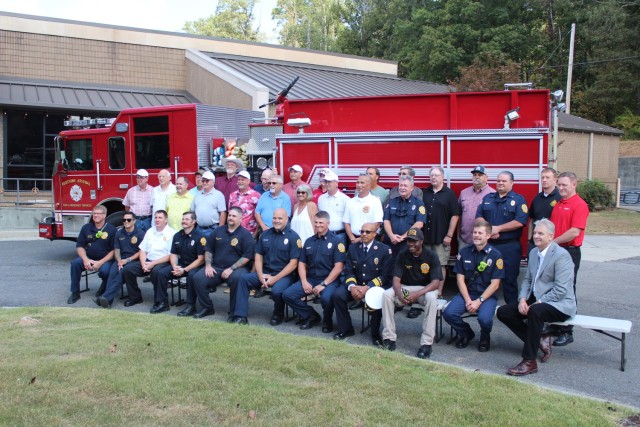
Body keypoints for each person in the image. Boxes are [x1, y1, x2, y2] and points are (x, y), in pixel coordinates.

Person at [497, 219, 576, 376]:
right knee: (503, 312)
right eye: (535, 232)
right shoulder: (534, 252)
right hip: (538, 301)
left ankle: (529, 361)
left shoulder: (562, 256)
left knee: (536, 312)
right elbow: (527, 280)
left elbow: (561, 290)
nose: (536, 236)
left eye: (541, 233)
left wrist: (538, 302)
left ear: (551, 236)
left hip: (560, 304)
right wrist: (522, 299)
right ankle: (539, 338)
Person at [177, 207, 255, 319]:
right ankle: (207, 307)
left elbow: (247, 257)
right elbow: (208, 249)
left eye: (234, 216)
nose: (231, 218)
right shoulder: (218, 231)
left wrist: (231, 268)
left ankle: (234, 312)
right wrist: (208, 265)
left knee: (238, 279)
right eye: (229, 215)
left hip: (237, 269)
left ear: (240, 219)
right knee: (198, 278)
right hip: (216, 267)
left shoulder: (245, 234)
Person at [230, 208, 302, 325]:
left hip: (284, 276)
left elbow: (293, 264)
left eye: (280, 218)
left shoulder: (294, 237)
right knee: (242, 279)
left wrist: (275, 278)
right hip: (264, 273)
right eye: (274, 218)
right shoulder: (265, 234)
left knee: (277, 291)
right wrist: (260, 275)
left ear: (286, 219)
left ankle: (278, 314)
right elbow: (258, 256)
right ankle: (240, 315)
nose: (276, 221)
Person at [442, 220, 504, 352]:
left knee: (485, 319)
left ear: (488, 235)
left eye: (480, 233)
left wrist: (479, 301)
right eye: (474, 232)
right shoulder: (464, 252)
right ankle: (466, 334)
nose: (476, 235)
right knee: (448, 313)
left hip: (486, 296)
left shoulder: (495, 255)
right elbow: (460, 279)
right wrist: (469, 300)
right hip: (467, 294)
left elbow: (495, 284)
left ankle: (485, 337)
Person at [381, 228, 442, 359]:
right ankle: (389, 338)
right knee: (387, 294)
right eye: (409, 240)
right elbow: (396, 279)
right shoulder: (403, 254)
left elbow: (435, 283)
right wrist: (399, 294)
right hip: (406, 288)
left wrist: (417, 294)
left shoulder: (431, 255)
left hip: (425, 290)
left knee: (432, 299)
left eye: (414, 241)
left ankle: (426, 344)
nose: (411, 244)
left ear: (421, 241)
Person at [283, 211, 346, 332]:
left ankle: (327, 321)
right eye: (316, 222)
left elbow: (339, 267)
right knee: (288, 294)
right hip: (311, 279)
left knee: (326, 298)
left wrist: (323, 284)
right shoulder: (309, 241)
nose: (318, 225)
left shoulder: (337, 241)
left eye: (321, 222)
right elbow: (302, 263)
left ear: (328, 223)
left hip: (329, 280)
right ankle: (311, 316)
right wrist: (304, 281)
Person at [332, 222, 393, 344]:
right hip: (356, 285)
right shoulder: (353, 248)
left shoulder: (384, 250)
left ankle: (375, 333)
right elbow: (349, 271)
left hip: (374, 286)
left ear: (375, 234)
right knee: (337, 295)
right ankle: (346, 328)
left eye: (367, 232)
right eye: (362, 231)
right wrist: (352, 286)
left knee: (378, 297)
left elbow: (385, 276)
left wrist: (367, 287)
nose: (364, 234)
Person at [549, 171, 590, 346]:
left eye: (565, 185)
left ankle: (567, 331)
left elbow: (575, 231)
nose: (561, 188)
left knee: (567, 290)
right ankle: (556, 326)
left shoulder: (579, 205)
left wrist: (552, 243)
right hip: (557, 250)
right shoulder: (558, 203)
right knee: (553, 287)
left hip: (569, 251)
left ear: (574, 184)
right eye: (559, 184)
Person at [476, 171, 528, 304]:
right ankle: (484, 307)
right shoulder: (488, 198)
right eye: (498, 180)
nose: (500, 183)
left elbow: (520, 221)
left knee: (509, 280)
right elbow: (479, 216)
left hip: (509, 247)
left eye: (504, 181)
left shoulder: (518, 200)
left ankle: (511, 311)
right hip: (489, 246)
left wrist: (497, 229)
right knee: (484, 277)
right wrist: (490, 230)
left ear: (512, 183)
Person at [149, 211, 205, 314]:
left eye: (187, 219)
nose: (184, 221)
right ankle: (162, 303)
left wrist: (185, 270)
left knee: (191, 276)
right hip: (180, 265)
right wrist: (174, 266)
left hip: (195, 266)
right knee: (160, 273)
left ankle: (191, 306)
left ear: (194, 222)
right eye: (183, 219)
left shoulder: (200, 237)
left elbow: (201, 259)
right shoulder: (178, 235)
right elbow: (173, 254)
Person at [121, 210, 176, 307]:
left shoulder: (171, 233)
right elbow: (142, 250)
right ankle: (135, 297)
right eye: (155, 217)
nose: (157, 220)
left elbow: (170, 255)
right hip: (147, 261)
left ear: (166, 220)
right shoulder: (150, 231)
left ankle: (161, 302)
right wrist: (143, 264)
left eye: (160, 218)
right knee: (128, 269)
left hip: (163, 262)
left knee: (157, 273)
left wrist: (153, 264)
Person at [67, 204, 116, 304]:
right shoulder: (86, 228)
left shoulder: (111, 229)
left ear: (104, 215)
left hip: (104, 260)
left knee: (106, 272)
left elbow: (114, 251)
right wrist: (85, 259)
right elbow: (80, 246)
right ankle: (75, 293)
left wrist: (99, 263)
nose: (96, 215)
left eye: (98, 213)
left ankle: (103, 289)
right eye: (94, 213)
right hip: (89, 257)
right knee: (75, 264)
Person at [94, 211, 145, 308]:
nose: (126, 222)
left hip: (134, 260)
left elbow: (141, 252)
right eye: (124, 220)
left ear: (134, 221)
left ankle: (105, 297)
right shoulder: (119, 233)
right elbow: (117, 250)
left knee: (122, 273)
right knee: (112, 273)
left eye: (128, 220)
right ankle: (108, 301)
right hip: (121, 259)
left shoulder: (140, 233)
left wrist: (128, 260)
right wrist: (119, 261)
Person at [422, 166, 460, 296]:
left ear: (442, 177)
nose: (433, 178)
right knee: (425, 264)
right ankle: (425, 292)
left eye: (436, 175)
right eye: (431, 175)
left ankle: (438, 292)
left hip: (441, 237)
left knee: (440, 265)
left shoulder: (449, 194)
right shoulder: (425, 192)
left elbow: (455, 216)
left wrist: (449, 235)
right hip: (425, 237)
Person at [383, 175, 426, 260]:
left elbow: (419, 223)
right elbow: (386, 220)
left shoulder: (419, 204)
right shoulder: (391, 202)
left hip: (408, 243)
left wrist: (402, 237)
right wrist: (391, 236)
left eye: (405, 186)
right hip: (391, 242)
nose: (402, 188)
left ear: (412, 188)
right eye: (400, 185)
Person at [458, 165, 495, 249]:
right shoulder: (464, 193)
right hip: (465, 240)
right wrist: (458, 235)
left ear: (486, 177)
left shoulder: (493, 194)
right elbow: (458, 215)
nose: (477, 177)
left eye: (480, 175)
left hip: (485, 241)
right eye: (475, 175)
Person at [527, 167, 561, 254]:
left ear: (555, 180)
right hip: (535, 242)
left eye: (547, 177)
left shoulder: (560, 198)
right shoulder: (537, 198)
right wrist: (530, 238)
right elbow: (531, 219)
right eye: (542, 177)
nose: (544, 180)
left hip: (550, 242)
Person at [344, 174, 383, 245]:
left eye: (362, 183)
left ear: (369, 186)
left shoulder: (375, 201)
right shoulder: (350, 201)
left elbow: (377, 223)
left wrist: (361, 238)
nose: (359, 185)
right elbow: (346, 222)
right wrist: (352, 238)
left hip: (370, 239)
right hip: (353, 239)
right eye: (357, 182)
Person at [191, 170, 227, 237]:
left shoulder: (219, 195)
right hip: (198, 229)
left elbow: (223, 213)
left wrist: (220, 230)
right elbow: (192, 212)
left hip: (213, 229)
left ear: (213, 182)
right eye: (203, 181)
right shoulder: (197, 195)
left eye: (207, 181)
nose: (204, 183)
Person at [317, 170, 349, 243]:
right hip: (324, 234)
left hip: (340, 235)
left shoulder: (345, 199)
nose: (327, 184)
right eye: (326, 182)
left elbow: (348, 219)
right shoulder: (321, 198)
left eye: (330, 182)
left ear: (336, 183)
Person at [228, 170, 261, 236]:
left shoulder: (256, 195)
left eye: (242, 180)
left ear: (248, 181)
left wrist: (256, 232)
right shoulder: (232, 195)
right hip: (234, 231)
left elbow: (259, 215)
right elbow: (229, 213)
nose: (240, 182)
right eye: (239, 180)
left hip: (250, 232)